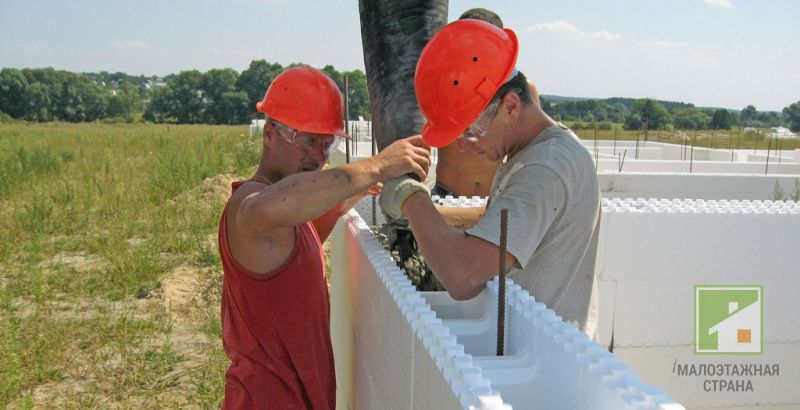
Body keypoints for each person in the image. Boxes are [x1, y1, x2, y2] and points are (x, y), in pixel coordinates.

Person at [219, 66, 431, 409]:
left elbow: (299, 249)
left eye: (326, 143)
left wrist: (340, 202)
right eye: (307, 140)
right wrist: (377, 165)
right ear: (269, 133)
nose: (318, 156)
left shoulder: (288, 221)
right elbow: (273, 207)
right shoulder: (250, 205)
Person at [380, 20, 601, 336]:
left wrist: (410, 197)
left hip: (546, 364)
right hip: (535, 350)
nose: (462, 145)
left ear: (510, 106)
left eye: (470, 130)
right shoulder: (530, 154)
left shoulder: (544, 169)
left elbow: (463, 276)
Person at [433, 8, 541, 200]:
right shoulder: (440, 88)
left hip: (494, 198)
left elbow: (528, 151)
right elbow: (416, 144)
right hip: (446, 197)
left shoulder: (524, 90)